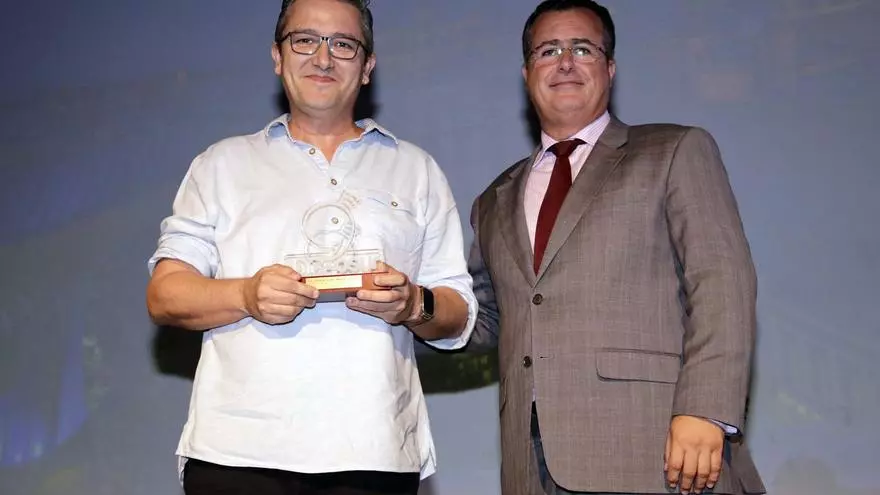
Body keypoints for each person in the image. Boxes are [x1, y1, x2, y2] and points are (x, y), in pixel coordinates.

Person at [145, 0, 476, 493]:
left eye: (343, 44)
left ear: (367, 66)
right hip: (238, 453)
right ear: (277, 56)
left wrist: (412, 303)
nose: (323, 58)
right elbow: (165, 294)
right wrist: (246, 295)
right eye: (305, 40)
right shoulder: (221, 165)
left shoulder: (415, 170)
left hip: (374, 453)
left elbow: (459, 312)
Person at [466, 1, 765, 494]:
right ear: (526, 73)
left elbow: (722, 281)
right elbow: (485, 319)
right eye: (547, 51)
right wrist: (410, 307)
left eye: (582, 49)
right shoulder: (494, 199)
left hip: (652, 450)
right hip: (529, 465)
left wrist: (705, 409)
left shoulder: (674, 151)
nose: (565, 62)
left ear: (610, 68)